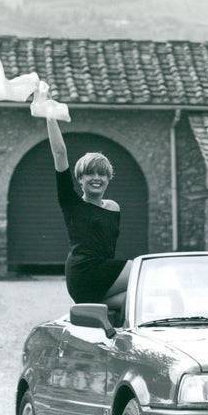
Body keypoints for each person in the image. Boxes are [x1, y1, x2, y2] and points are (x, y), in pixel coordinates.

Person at [47, 116, 132, 308]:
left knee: (138, 301)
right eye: (90, 173)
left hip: (101, 277)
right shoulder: (71, 204)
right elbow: (59, 152)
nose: (96, 178)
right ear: (80, 179)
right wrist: (50, 116)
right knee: (143, 272)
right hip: (83, 273)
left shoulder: (113, 207)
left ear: (108, 179)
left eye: (102, 174)